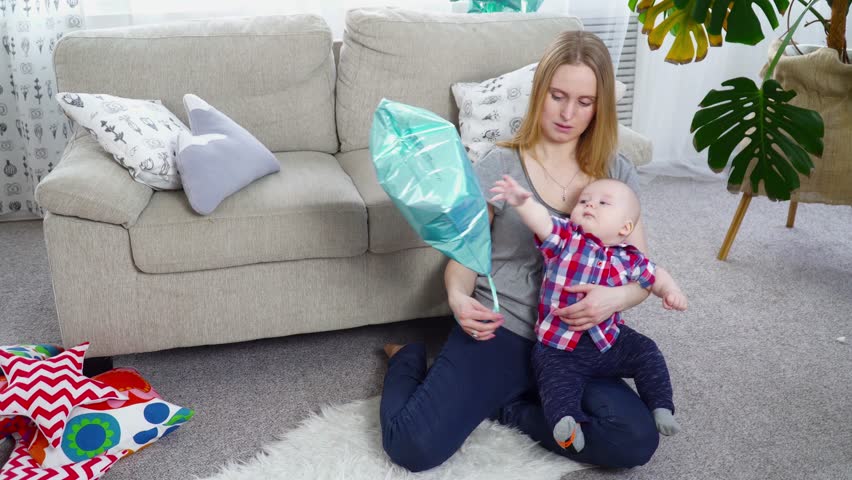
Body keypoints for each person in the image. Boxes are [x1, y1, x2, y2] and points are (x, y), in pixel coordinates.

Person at [381, 30, 669, 472]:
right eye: (558, 96)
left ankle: (511, 408)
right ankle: (409, 359)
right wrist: (458, 299)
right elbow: (464, 255)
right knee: (410, 446)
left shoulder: (616, 171)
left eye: (585, 102)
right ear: (540, 93)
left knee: (633, 440)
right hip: (503, 328)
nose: (569, 113)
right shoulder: (499, 165)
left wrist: (614, 298)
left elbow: (642, 274)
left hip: (578, 343)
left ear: (600, 106)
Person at [490, 175, 687, 453]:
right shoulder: (567, 240)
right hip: (560, 348)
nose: (590, 205)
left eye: (603, 203)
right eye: (584, 201)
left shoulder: (629, 257)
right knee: (557, 386)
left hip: (609, 341)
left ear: (625, 227)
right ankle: (566, 422)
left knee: (647, 351)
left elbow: (655, 275)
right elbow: (542, 222)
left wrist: (670, 290)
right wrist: (524, 203)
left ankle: (661, 406)